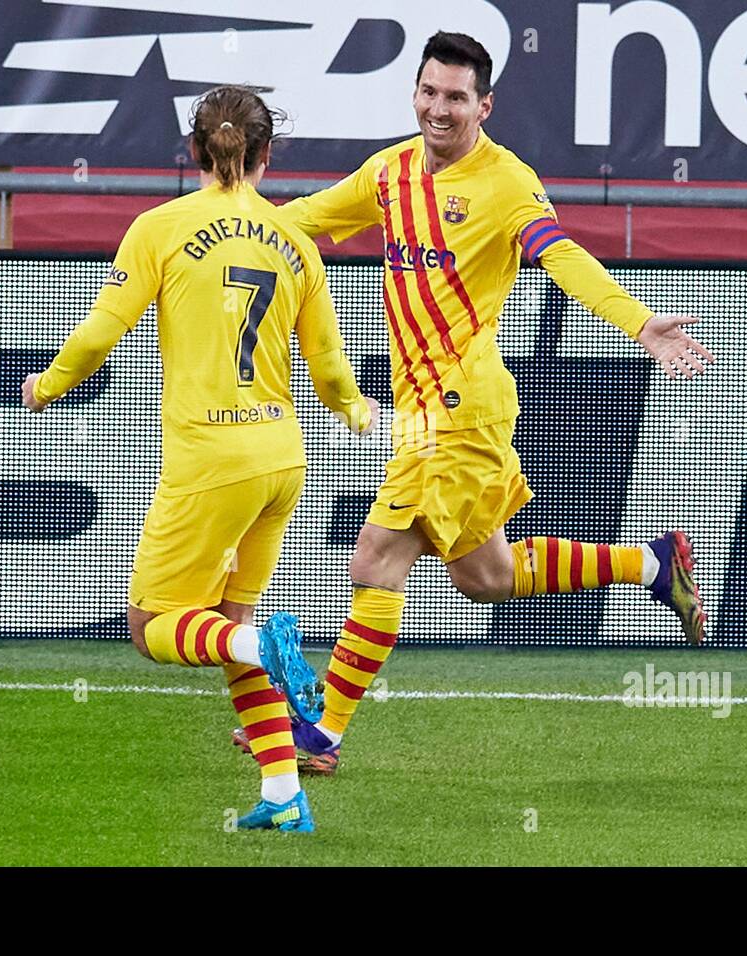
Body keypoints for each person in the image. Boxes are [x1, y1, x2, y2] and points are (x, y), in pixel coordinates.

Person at [235, 32, 717, 776]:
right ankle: (650, 566)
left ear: (483, 105)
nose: (438, 108)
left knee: (376, 559)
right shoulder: (389, 172)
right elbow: (306, 218)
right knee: (484, 578)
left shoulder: (508, 183)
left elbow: (561, 255)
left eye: (456, 97)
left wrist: (639, 322)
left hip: (461, 406)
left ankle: (321, 734)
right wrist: (225, 223)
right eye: (429, 91)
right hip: (429, 408)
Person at [21, 85, 377, 831]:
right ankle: (283, 796)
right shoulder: (297, 244)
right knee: (227, 620)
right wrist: (359, 415)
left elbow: (96, 336)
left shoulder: (161, 227)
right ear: (266, 154)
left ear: (193, 149)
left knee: (151, 626)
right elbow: (333, 371)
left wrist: (46, 387)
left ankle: (261, 643)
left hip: (212, 462)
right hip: (284, 460)